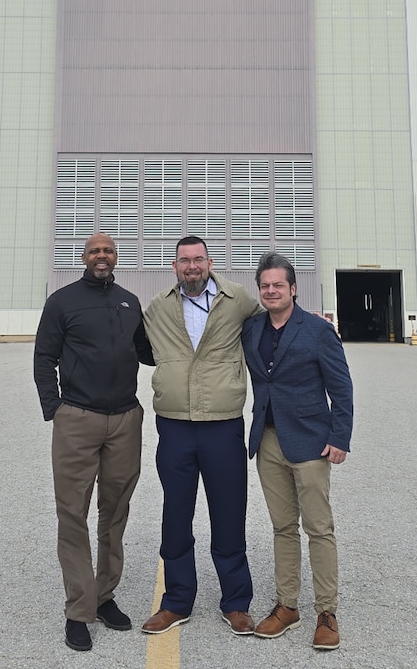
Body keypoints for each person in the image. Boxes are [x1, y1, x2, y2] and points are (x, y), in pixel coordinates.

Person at [33, 233, 154, 652]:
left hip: (124, 420)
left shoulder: (128, 301)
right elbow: (43, 358)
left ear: (116, 257)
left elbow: (149, 351)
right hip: (78, 419)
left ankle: (104, 597)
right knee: (73, 513)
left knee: (115, 511)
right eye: (94, 251)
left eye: (108, 251)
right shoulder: (62, 302)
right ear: (83, 258)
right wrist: (57, 409)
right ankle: (78, 610)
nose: (102, 256)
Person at [140, 236, 260, 637]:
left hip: (223, 424)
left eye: (198, 259)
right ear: (174, 266)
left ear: (209, 262)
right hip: (173, 425)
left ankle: (236, 602)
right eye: (184, 260)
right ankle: (176, 601)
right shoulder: (157, 308)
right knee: (176, 514)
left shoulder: (237, 299)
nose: (191, 266)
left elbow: (272, 320)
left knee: (229, 512)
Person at [242, 252, 354, 650]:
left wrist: (340, 437)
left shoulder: (318, 330)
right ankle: (287, 605)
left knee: (319, 529)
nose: (271, 291)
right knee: (282, 527)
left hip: (309, 441)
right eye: (265, 286)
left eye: (278, 285)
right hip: (268, 440)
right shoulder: (252, 327)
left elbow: (341, 387)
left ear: (293, 288)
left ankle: (327, 611)